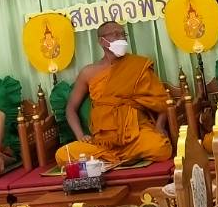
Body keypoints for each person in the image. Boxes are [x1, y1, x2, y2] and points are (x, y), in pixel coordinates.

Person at [56, 22, 174, 167]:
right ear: (102, 41)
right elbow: (71, 109)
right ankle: (118, 158)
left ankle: (107, 160)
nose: (121, 38)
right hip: (102, 142)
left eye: (123, 34)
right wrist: (81, 136)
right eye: (116, 34)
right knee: (63, 155)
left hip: (136, 136)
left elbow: (162, 101)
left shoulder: (137, 65)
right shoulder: (88, 72)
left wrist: (160, 126)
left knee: (161, 149)